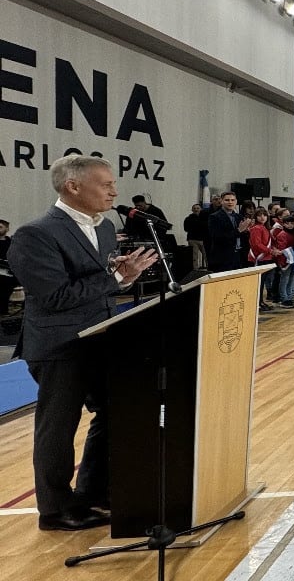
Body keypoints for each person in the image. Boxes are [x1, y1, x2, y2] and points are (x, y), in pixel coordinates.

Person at [8, 154, 157, 531]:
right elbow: (55, 296)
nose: (114, 190)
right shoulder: (36, 233)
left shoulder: (105, 228)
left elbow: (102, 283)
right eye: (105, 184)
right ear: (73, 186)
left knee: (114, 413)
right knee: (58, 428)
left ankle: (92, 494)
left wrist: (123, 276)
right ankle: (56, 509)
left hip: (101, 340)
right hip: (60, 346)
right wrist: (118, 278)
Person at [207, 191, 250, 272]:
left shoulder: (239, 217)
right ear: (222, 201)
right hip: (222, 257)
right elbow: (217, 237)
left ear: (236, 201)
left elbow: (242, 237)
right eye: (227, 200)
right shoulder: (214, 217)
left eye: (232, 200)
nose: (230, 202)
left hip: (238, 256)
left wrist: (247, 231)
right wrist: (239, 230)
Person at [183, 203, 207, 270]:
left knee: (207, 256)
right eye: (194, 208)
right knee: (194, 256)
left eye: (198, 208)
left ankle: (210, 268)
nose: (196, 209)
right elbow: (186, 229)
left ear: (201, 209)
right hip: (192, 239)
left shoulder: (205, 218)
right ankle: (195, 270)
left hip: (204, 239)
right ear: (192, 210)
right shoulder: (188, 218)